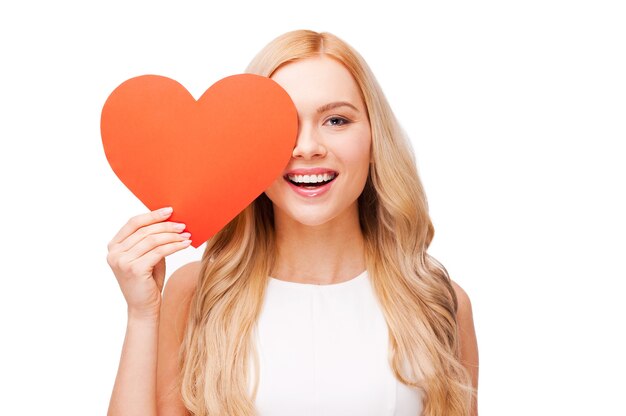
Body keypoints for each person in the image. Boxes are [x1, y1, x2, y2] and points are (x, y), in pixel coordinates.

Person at [106, 30, 479, 416]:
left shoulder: (437, 302)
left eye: (336, 120)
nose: (307, 147)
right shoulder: (197, 294)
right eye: (282, 123)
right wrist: (141, 315)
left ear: (373, 140)